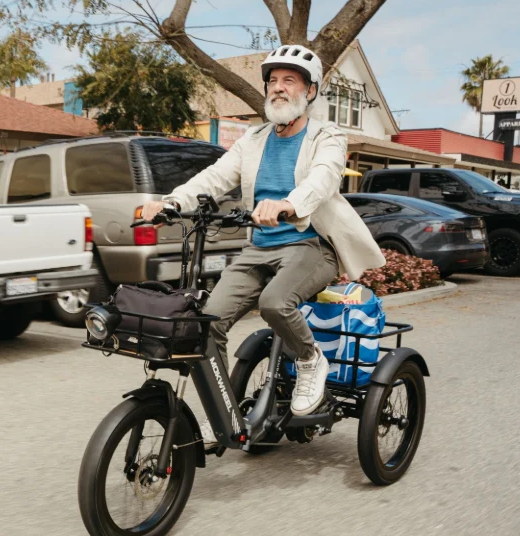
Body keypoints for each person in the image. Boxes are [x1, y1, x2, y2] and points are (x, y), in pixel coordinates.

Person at [142, 45, 385, 438]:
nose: (278, 88)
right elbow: (214, 178)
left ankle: (310, 359)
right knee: (206, 324)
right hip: (259, 248)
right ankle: (225, 416)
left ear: (310, 91)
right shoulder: (252, 140)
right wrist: (171, 201)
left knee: (275, 303)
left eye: (290, 80)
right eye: (273, 80)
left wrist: (289, 204)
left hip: (311, 246)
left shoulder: (328, 135)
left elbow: (322, 179)